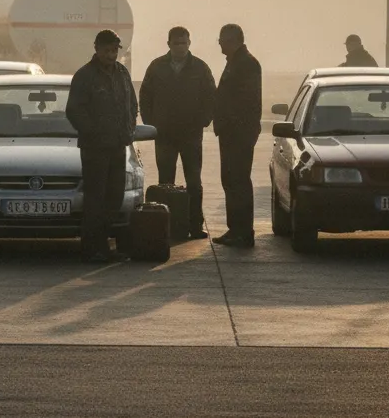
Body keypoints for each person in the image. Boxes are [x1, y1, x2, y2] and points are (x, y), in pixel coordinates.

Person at [66, 29, 137, 263]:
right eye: (107, 50)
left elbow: (132, 104)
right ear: (96, 49)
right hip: (94, 149)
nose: (111, 55)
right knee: (95, 199)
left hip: (118, 145)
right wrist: (93, 132)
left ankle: (104, 244)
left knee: (114, 197)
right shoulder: (85, 76)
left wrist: (129, 128)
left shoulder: (122, 73)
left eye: (114, 50)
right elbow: (74, 110)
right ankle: (92, 247)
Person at [138, 26, 217, 238]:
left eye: (184, 43)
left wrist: (203, 120)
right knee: (166, 182)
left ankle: (195, 225)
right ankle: (167, 226)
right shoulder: (156, 67)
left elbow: (211, 96)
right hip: (164, 135)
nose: (180, 47)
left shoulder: (200, 68)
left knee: (194, 182)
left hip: (191, 134)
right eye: (176, 43)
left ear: (189, 43)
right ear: (169, 44)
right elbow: (145, 96)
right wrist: (151, 123)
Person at [212, 23, 262, 248]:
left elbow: (244, 101)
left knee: (238, 181)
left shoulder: (246, 64)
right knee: (231, 180)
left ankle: (242, 231)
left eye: (221, 40)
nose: (220, 44)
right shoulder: (236, 62)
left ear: (232, 40)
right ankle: (235, 229)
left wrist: (228, 120)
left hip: (238, 133)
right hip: (231, 131)